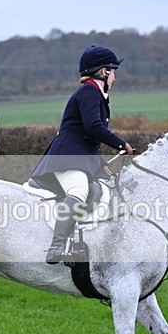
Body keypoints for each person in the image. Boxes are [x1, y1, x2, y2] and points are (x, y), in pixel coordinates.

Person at [29, 45, 135, 264]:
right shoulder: (88, 92)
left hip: (80, 155)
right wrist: (120, 143)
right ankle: (57, 246)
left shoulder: (95, 93)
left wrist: (101, 163)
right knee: (78, 191)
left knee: (107, 187)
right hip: (67, 155)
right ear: (104, 72)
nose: (115, 78)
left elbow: (88, 139)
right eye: (113, 71)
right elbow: (93, 128)